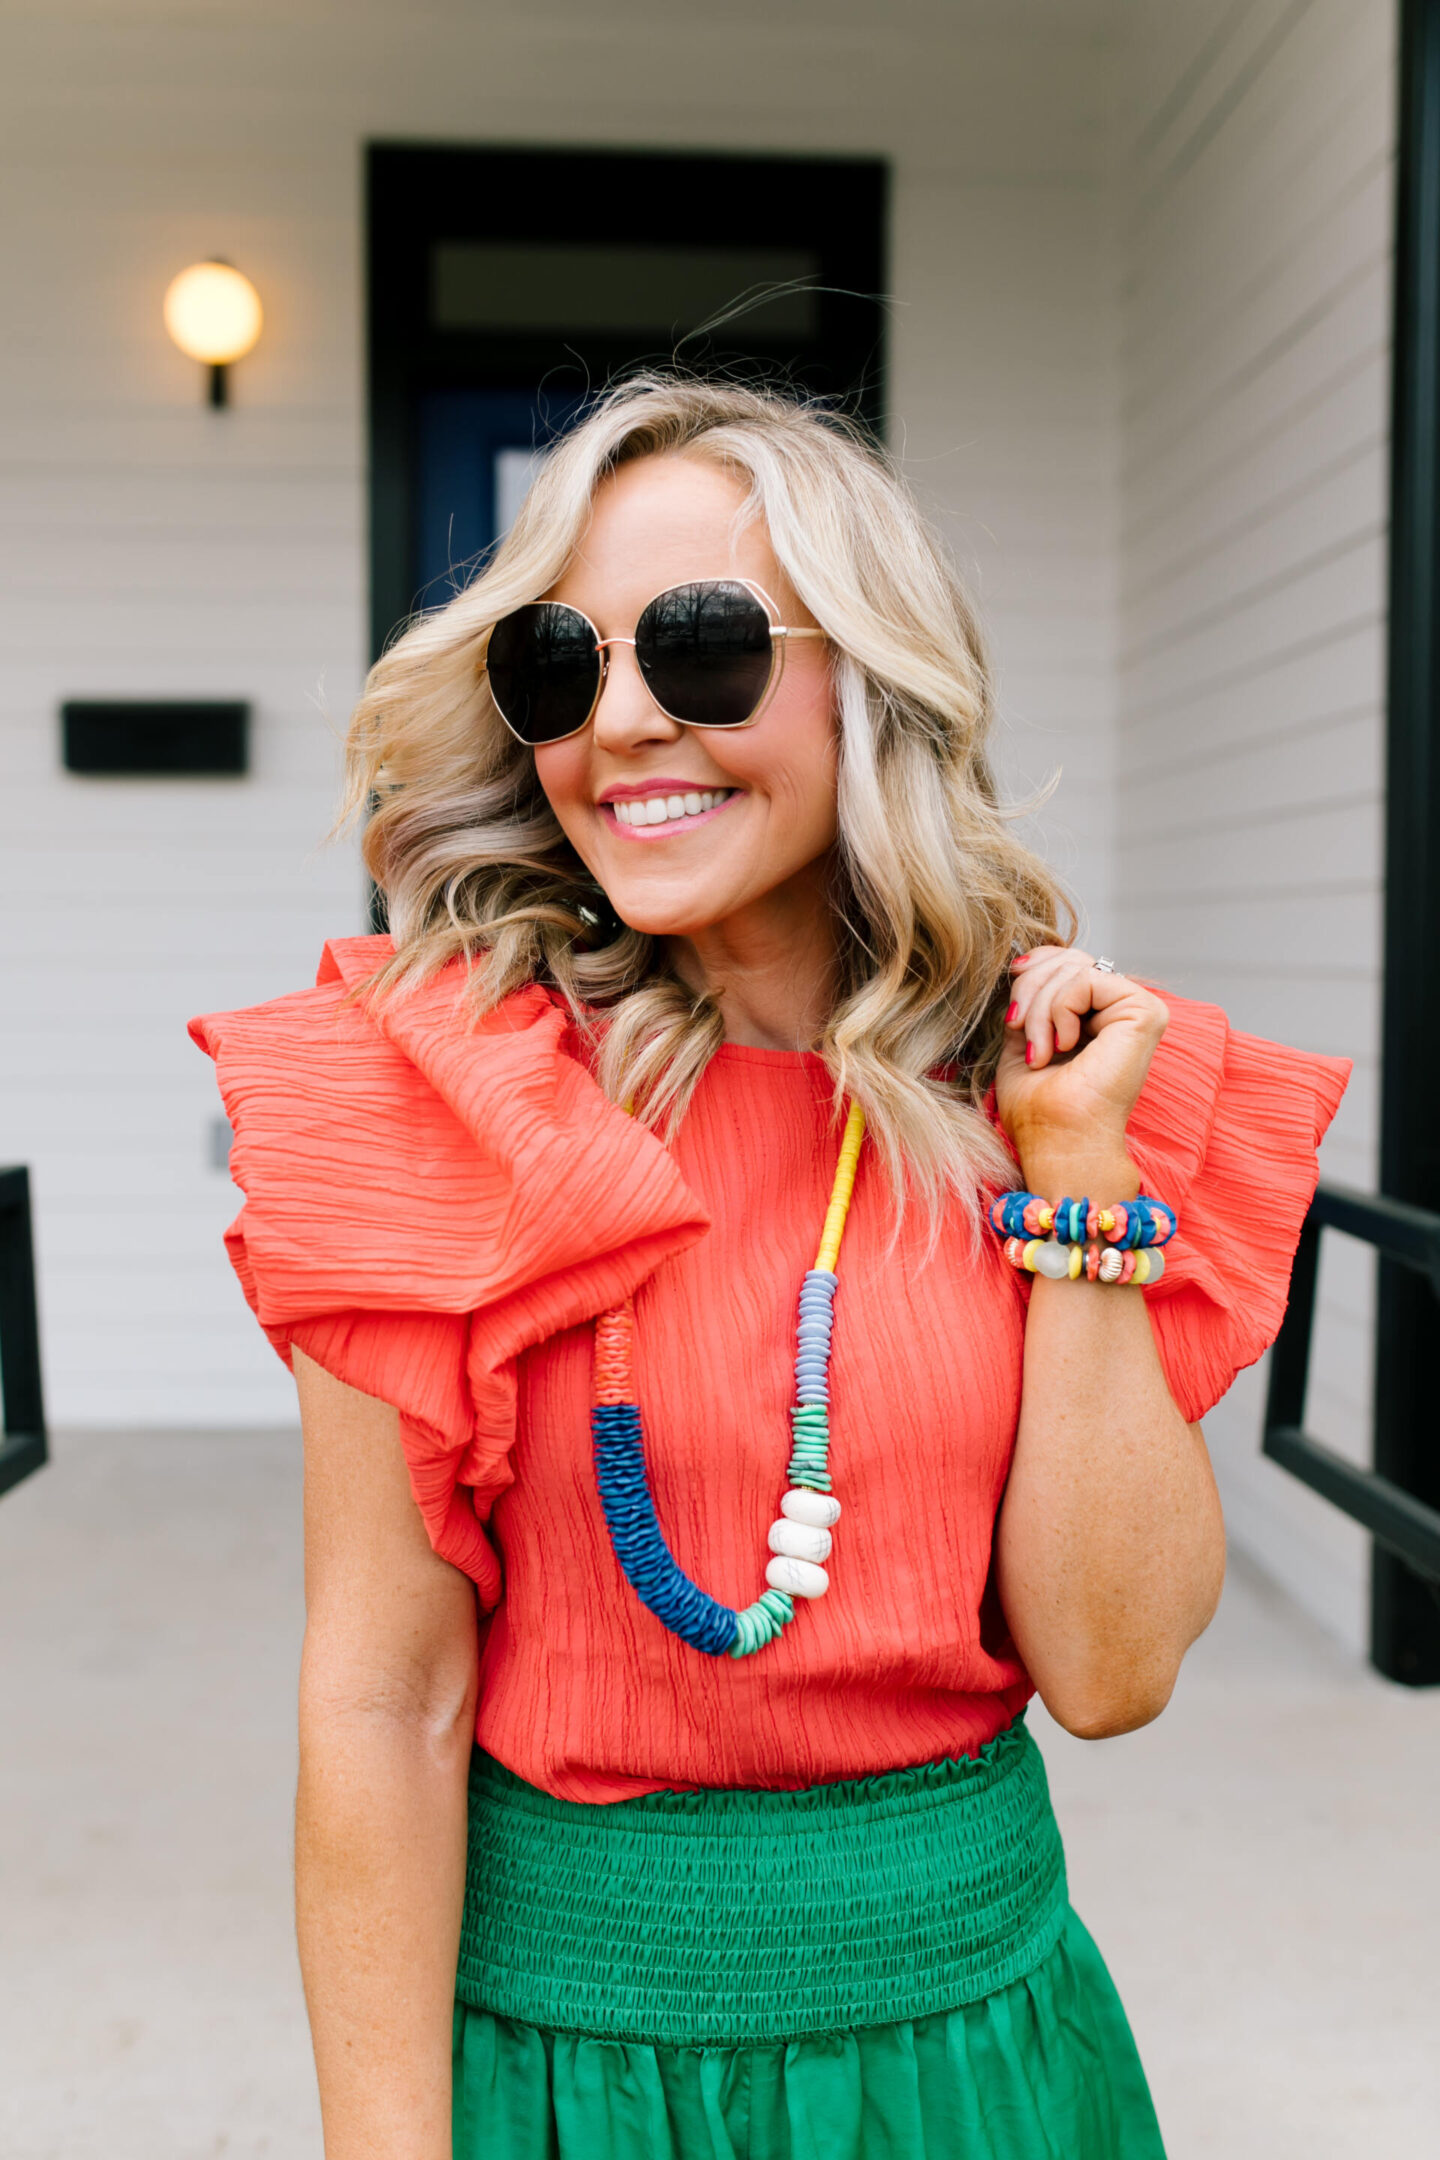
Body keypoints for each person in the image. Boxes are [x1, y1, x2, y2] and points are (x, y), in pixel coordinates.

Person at [192, 375, 1348, 2160]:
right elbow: (380, 1696)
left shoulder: (1056, 1098)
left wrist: (1078, 1175)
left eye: (708, 647)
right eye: (561, 668)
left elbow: (1112, 1672)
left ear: (867, 676)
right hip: (563, 2076)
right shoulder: (427, 1095)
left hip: (972, 2069)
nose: (628, 724)